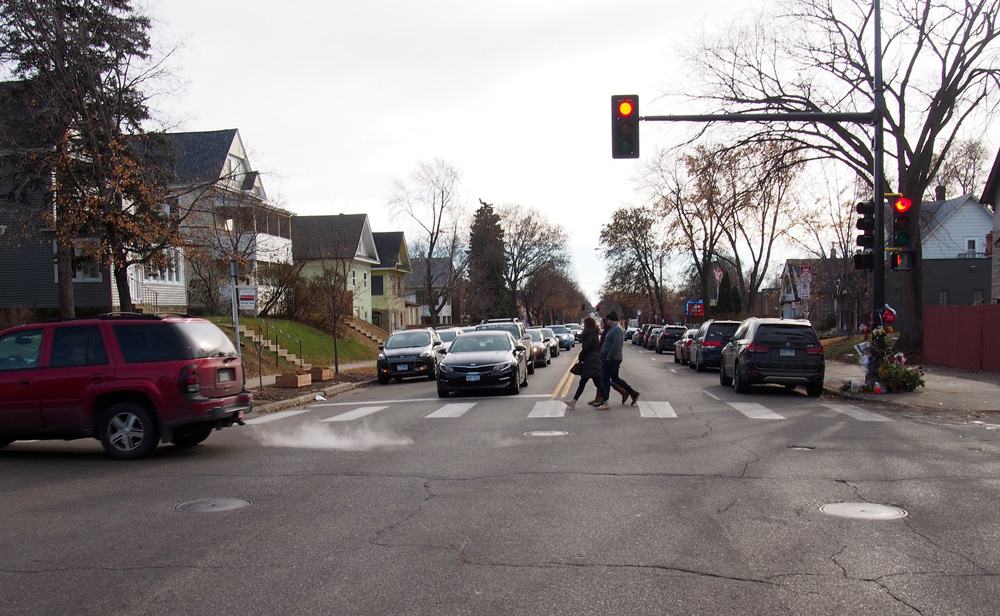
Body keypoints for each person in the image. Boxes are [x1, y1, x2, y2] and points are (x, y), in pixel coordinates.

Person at [563, 317, 609, 410]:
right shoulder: (593, 333)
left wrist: (581, 356)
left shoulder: (589, 334)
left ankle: (606, 401)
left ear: (587, 324)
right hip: (593, 360)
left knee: (596, 382)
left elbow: (586, 347)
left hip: (591, 360)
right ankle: (574, 401)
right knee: (586, 382)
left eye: (584, 323)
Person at [600, 311, 640, 406]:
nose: (607, 321)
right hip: (612, 358)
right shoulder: (613, 328)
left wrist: (609, 357)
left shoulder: (617, 329)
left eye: (608, 319)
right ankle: (633, 393)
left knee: (605, 378)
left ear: (611, 320)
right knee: (615, 378)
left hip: (613, 359)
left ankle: (605, 401)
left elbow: (616, 345)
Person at [588, 317, 629, 406]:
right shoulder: (607, 332)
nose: (600, 324)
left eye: (602, 323)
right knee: (604, 378)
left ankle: (609, 397)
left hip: (609, 358)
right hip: (603, 356)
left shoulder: (611, 331)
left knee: (603, 378)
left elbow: (615, 345)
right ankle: (600, 398)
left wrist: (608, 356)